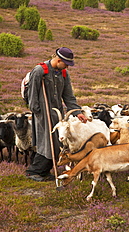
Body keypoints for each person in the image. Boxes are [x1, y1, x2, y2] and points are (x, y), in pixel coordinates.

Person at [26, 47, 88, 182]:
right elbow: (32, 95)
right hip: (43, 113)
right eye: (66, 64)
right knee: (46, 142)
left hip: (58, 114)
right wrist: (37, 112)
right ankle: (34, 171)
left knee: (57, 142)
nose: (67, 67)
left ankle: (44, 171)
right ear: (58, 60)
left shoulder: (64, 73)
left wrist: (78, 112)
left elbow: (68, 96)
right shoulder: (39, 71)